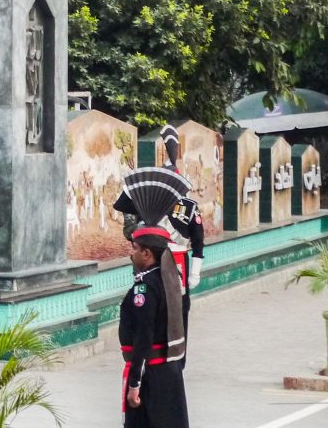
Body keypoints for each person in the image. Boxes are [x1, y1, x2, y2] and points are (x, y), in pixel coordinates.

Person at [114, 124, 205, 337]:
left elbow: (198, 241)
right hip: (148, 265)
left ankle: (176, 357)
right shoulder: (144, 202)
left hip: (178, 265)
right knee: (146, 311)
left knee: (178, 313)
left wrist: (195, 272)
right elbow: (129, 232)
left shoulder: (189, 207)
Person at [117, 166, 190, 428]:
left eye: (134, 249)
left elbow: (144, 336)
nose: (131, 254)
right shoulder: (172, 279)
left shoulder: (145, 288)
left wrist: (135, 382)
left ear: (147, 254)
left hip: (152, 376)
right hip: (170, 373)